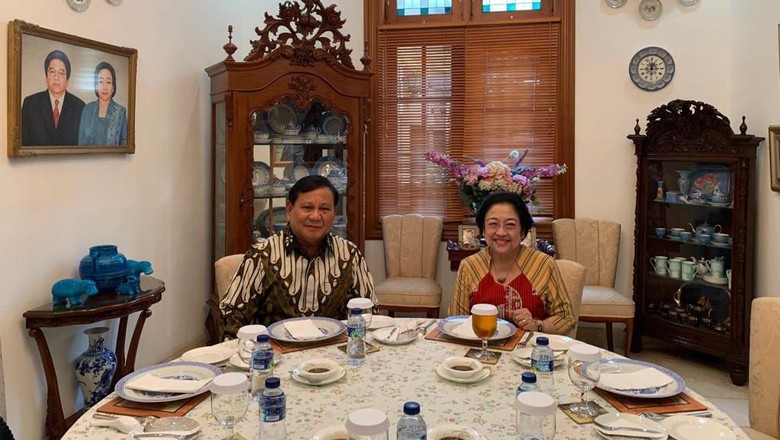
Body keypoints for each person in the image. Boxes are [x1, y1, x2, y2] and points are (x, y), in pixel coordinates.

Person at [220, 175, 376, 338]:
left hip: (335, 355)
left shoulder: (349, 255)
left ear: (333, 213)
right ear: (289, 210)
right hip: (275, 356)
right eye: (307, 207)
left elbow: (369, 313)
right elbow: (232, 317)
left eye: (324, 209)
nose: (315, 216)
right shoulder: (262, 255)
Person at [449, 191, 575, 335]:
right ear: (483, 230)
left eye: (510, 225)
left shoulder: (543, 264)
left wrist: (537, 325)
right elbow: (455, 320)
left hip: (528, 352)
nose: (501, 232)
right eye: (493, 224)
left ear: (523, 231)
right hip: (480, 349)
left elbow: (566, 318)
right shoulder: (469, 266)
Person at [21, 50, 85, 146]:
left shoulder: (80, 107)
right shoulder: (30, 104)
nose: (56, 77)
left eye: (61, 73)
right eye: (52, 72)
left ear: (67, 80)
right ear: (46, 77)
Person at [78, 61, 128, 145]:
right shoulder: (87, 110)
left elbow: (124, 147)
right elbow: (80, 143)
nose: (105, 87)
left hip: (112, 158)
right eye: (101, 82)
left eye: (108, 82)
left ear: (113, 87)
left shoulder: (121, 113)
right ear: (96, 86)